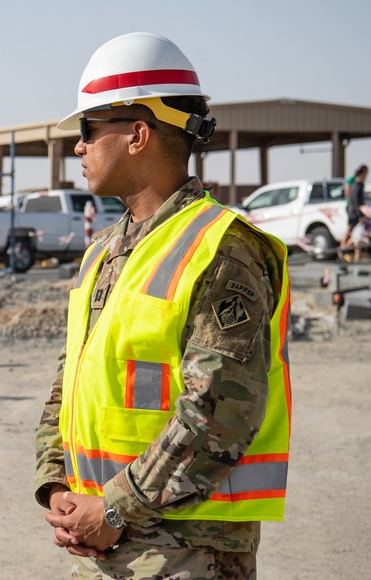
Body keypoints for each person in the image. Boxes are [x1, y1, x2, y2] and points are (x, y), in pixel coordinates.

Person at [33, 33, 292, 578]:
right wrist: (57, 482)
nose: (77, 147)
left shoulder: (220, 248)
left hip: (186, 550)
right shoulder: (104, 250)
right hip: (103, 535)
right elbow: (73, 374)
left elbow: (219, 411)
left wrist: (114, 506)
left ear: (138, 135)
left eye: (87, 130)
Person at [340, 164, 368, 259]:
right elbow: (356, 201)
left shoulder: (356, 184)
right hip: (354, 212)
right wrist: (360, 214)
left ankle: (344, 249)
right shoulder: (357, 185)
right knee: (356, 233)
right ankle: (345, 249)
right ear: (362, 174)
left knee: (351, 231)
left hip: (352, 211)